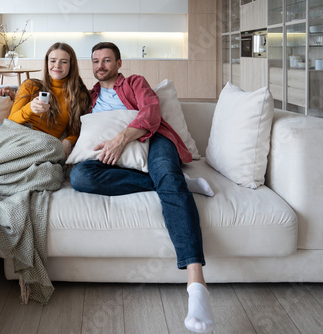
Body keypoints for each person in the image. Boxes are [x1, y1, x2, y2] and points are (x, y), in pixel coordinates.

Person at [69, 42, 215, 334]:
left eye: (107, 60)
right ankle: (173, 182)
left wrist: (121, 140)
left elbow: (151, 114)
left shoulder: (134, 82)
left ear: (119, 63)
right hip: (115, 152)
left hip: (152, 140)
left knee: (167, 175)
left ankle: (196, 285)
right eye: (96, 61)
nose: (100, 65)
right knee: (80, 177)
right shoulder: (89, 97)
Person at [0, 42, 92, 159]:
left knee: (50, 171)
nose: (57, 66)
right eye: (52, 61)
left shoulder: (78, 95)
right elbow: (11, 123)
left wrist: (68, 141)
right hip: (18, 137)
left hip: (45, 145)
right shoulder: (31, 85)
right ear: (47, 63)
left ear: (71, 65)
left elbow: (75, 132)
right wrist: (30, 108)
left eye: (64, 62)